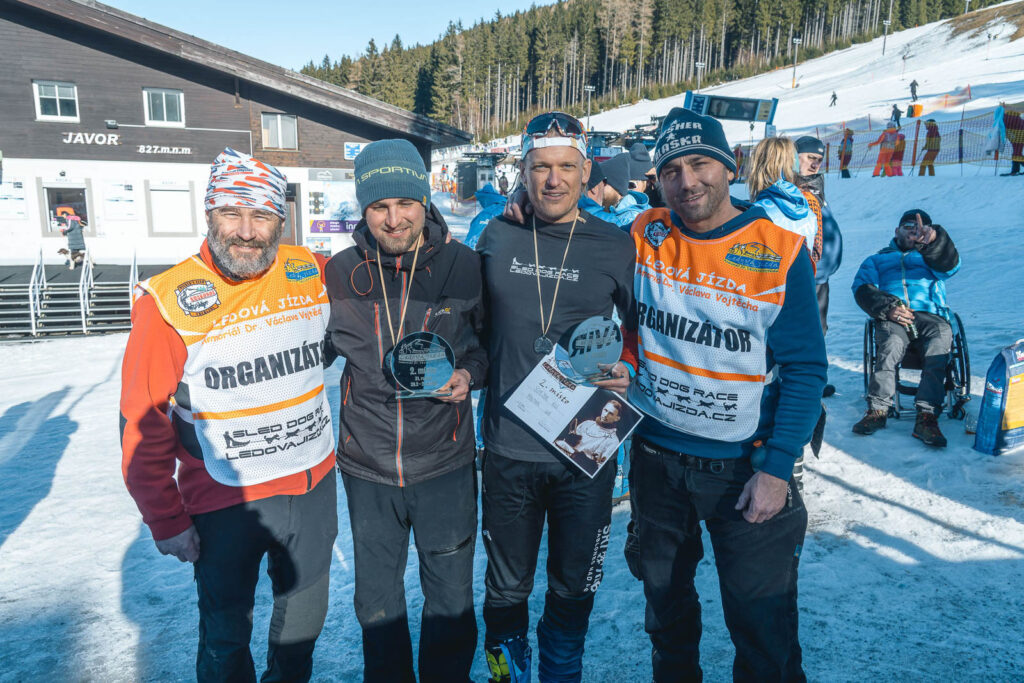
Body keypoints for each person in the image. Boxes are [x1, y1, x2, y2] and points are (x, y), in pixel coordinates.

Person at [120, 148, 338, 682]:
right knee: (225, 636)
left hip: (310, 486)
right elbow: (142, 420)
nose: (246, 231)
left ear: (280, 222)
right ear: (208, 213)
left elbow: (383, 270)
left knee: (303, 626)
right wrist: (165, 518)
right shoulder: (167, 300)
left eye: (261, 215)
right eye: (231, 213)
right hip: (223, 498)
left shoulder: (309, 268)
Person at [622, 107, 825, 681]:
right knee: (667, 618)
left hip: (744, 469)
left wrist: (778, 467)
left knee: (763, 631)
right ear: (656, 182)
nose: (687, 181)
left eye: (700, 164)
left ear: (730, 166)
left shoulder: (778, 249)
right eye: (671, 171)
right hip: (658, 464)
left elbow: (807, 368)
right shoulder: (644, 234)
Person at [476, 111, 634, 683]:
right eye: (540, 166)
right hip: (509, 447)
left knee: (572, 588)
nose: (553, 179)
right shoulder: (495, 234)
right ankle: (506, 676)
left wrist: (629, 365)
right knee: (504, 590)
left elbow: (641, 329)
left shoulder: (616, 244)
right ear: (522, 171)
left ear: (586, 170)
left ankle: (561, 673)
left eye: (567, 166)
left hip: (585, 449)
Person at [322, 139, 486, 683]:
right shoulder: (339, 272)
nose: (393, 219)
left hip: (444, 462)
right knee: (375, 600)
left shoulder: (464, 265)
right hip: (367, 466)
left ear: (425, 198)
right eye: (378, 207)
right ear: (362, 208)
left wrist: (468, 376)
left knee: (451, 599)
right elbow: (304, 349)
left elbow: (487, 347)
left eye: (405, 204)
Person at [852, 209, 960, 448]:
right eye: (908, 225)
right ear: (896, 231)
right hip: (895, 315)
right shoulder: (876, 260)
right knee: (890, 344)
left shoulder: (932, 257)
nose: (914, 229)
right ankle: (878, 410)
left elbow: (951, 266)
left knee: (940, 343)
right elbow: (861, 287)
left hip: (931, 315)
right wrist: (887, 307)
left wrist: (932, 242)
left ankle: (927, 415)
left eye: (921, 227)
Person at [796, 135, 843, 398]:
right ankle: (796, 385)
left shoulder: (815, 187)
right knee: (799, 332)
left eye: (819, 160)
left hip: (820, 279)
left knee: (817, 331)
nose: (815, 165)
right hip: (802, 276)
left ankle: (812, 382)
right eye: (810, 159)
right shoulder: (789, 188)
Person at [746, 135, 823, 266]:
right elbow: (813, 256)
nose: (815, 165)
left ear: (759, 169)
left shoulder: (755, 214)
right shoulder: (805, 209)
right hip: (799, 282)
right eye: (811, 158)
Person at [578, 152, 651, 229]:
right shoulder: (612, 216)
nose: (602, 188)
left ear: (617, 186)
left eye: (605, 182)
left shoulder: (628, 220)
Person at [555, 399, 623, 475]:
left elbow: (598, 468)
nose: (606, 415)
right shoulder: (587, 423)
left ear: (617, 418)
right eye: (605, 410)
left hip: (578, 470)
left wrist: (582, 458)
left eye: (610, 413)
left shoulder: (613, 441)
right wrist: (570, 439)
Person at [627, 141, 663, 207]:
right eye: (623, 184)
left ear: (647, 182)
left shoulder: (660, 203)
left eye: (630, 185)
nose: (626, 190)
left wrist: (660, 186)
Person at [1004, 107, 1024, 176]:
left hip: (1018, 137)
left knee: (1017, 153)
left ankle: (1015, 170)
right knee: (1017, 153)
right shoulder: (1013, 117)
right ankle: (1015, 170)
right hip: (1016, 137)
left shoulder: (1007, 117)